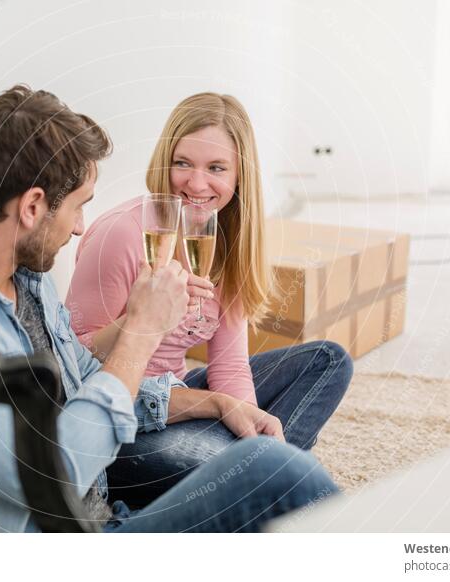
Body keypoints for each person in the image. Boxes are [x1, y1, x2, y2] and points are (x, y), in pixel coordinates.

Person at [0, 84, 338, 533]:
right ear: (34, 207)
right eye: (79, 206)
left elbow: (91, 382)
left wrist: (220, 404)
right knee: (269, 472)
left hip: (105, 515)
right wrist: (141, 330)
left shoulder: (27, 284)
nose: (81, 227)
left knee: (275, 443)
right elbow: (53, 472)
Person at [65, 92, 353, 506]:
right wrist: (143, 319)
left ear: (239, 176)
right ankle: (254, 489)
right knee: (227, 463)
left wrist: (241, 419)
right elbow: (80, 371)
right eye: (183, 163)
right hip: (121, 422)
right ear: (165, 161)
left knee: (327, 362)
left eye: (216, 168)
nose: (196, 184)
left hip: (179, 396)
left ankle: (247, 484)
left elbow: (230, 367)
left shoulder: (226, 241)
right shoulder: (122, 236)